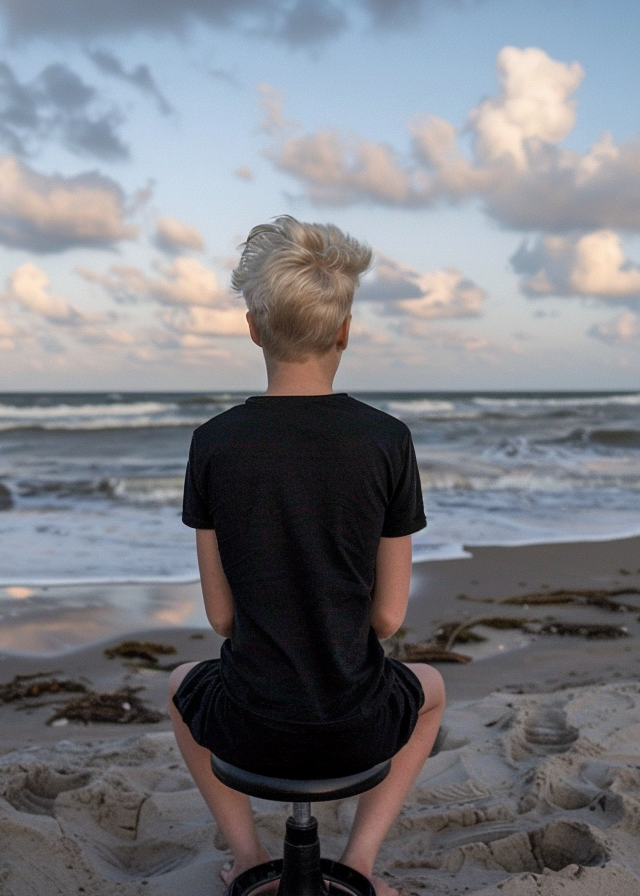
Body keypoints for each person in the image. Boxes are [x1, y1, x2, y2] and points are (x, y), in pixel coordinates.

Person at [167, 216, 446, 896]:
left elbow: (223, 620)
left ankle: (247, 858)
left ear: (254, 328)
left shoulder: (213, 442)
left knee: (179, 686)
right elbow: (385, 618)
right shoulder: (387, 440)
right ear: (345, 331)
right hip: (356, 726)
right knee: (432, 692)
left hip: (250, 725)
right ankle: (357, 865)